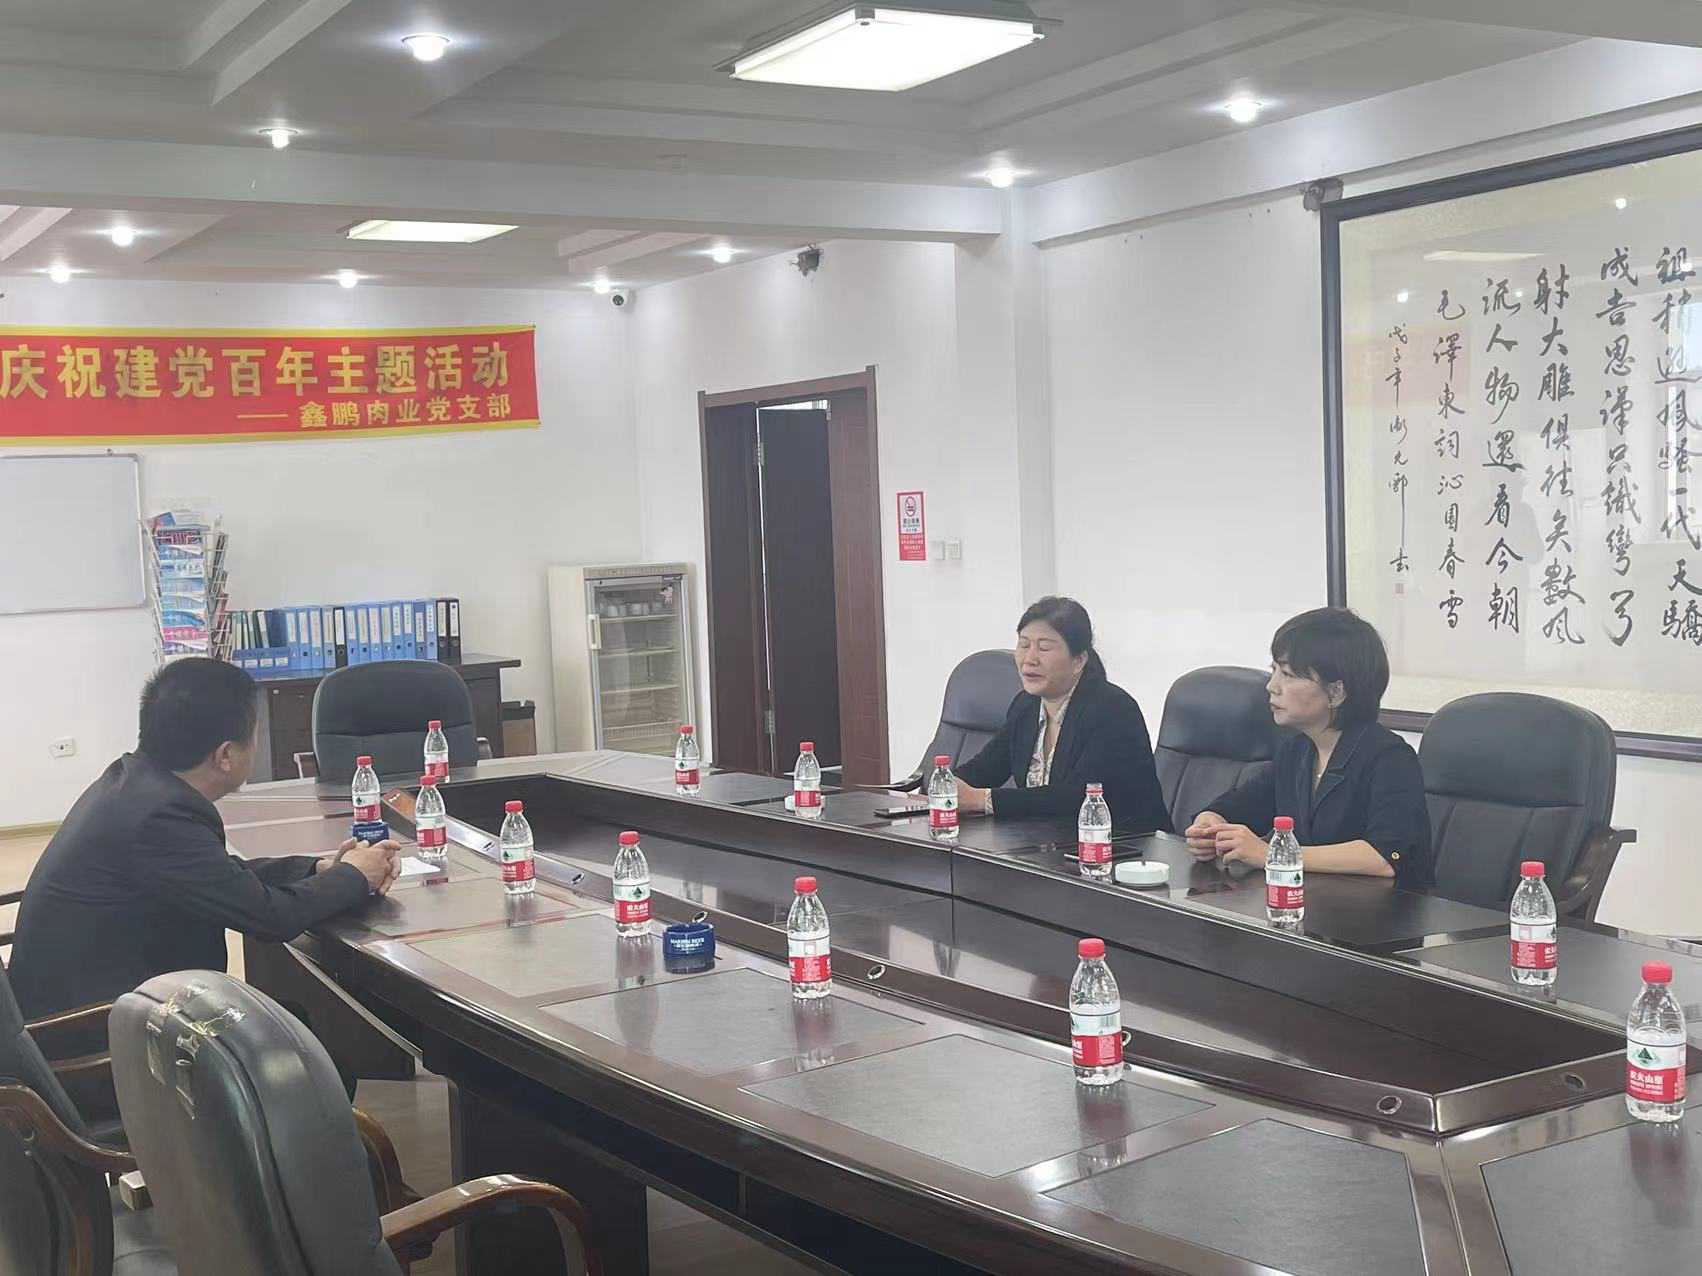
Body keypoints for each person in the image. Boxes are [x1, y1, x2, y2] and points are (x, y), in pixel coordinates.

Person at [8, 657, 401, 1050]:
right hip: (96, 1038)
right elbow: (270, 917)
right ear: (225, 755)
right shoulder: (159, 816)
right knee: (304, 1043)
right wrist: (354, 875)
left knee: (299, 1025)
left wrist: (318, 869)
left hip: (86, 1008)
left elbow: (219, 876)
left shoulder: (135, 784)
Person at [1184, 607, 1433, 886]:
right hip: (1317, 905)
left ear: (1336, 692)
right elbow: (1242, 805)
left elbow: (1385, 857)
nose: (1272, 686)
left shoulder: (1390, 758)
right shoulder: (1298, 750)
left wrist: (1273, 855)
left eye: (1288, 674)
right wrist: (1210, 825)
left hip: (1386, 910)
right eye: (1274, 670)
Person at [952, 596, 1170, 831]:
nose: (1029, 659)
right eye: (1024, 645)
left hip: (1126, 843)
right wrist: (944, 786)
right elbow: (985, 768)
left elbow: (1076, 796)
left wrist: (983, 800)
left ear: (1078, 660)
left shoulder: (1113, 709)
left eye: (1044, 648)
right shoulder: (1026, 706)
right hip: (1050, 841)